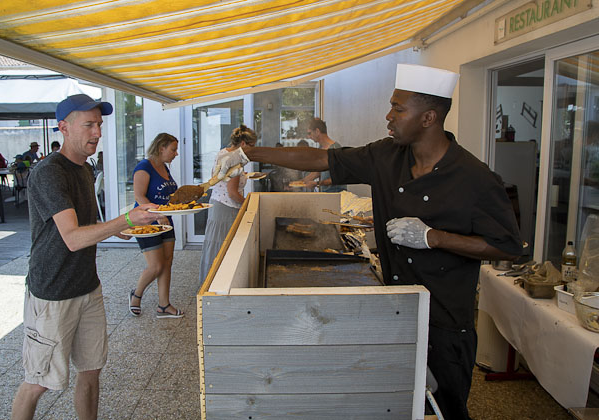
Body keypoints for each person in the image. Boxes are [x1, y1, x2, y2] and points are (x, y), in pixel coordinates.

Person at [212, 64, 522, 419]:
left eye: (399, 109)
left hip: (446, 321)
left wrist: (432, 237)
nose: (388, 116)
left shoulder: (474, 177)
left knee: (447, 409)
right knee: (395, 404)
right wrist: (249, 154)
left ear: (429, 118)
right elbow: (321, 158)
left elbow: (507, 245)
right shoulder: (387, 155)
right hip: (394, 307)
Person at [10, 94, 160, 420]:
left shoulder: (85, 169)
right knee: (38, 382)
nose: (98, 132)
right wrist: (127, 220)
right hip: (53, 292)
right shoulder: (49, 172)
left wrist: (113, 228)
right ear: (64, 127)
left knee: (91, 372)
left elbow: (82, 223)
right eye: (89, 125)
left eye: (100, 124)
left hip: (88, 287)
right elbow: (73, 239)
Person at [128, 133, 184, 319]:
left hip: (166, 221)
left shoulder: (164, 168)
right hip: (147, 222)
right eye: (173, 149)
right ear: (161, 148)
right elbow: (139, 196)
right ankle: (136, 295)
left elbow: (170, 195)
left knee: (167, 263)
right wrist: (156, 214)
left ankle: (164, 305)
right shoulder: (144, 167)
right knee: (156, 266)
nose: (176, 153)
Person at [198, 125, 258, 285]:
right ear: (244, 144)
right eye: (252, 146)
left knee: (215, 248)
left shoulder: (222, 153)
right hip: (226, 209)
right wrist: (249, 204)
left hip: (218, 204)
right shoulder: (234, 159)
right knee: (222, 249)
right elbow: (232, 193)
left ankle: (209, 284)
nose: (253, 150)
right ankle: (216, 286)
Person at [299, 118, 346, 192]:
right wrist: (299, 183)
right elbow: (317, 173)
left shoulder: (335, 149)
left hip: (336, 195)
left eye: (309, 133)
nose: (308, 137)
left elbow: (339, 177)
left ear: (317, 131)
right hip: (325, 195)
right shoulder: (321, 149)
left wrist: (317, 183)